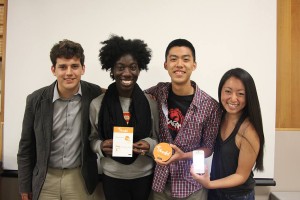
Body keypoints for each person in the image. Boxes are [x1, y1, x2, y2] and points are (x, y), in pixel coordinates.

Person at [17, 39, 104, 200]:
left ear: (83, 69)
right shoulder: (35, 100)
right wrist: (24, 188)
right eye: (63, 67)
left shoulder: (94, 93)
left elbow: (119, 94)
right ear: (53, 69)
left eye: (75, 66)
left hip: (79, 177)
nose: (69, 73)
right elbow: (25, 148)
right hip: (45, 178)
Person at [145, 39, 222, 199]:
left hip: (192, 185)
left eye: (186, 59)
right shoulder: (160, 92)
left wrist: (183, 156)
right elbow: (132, 95)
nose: (179, 64)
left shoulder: (210, 106)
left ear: (194, 65)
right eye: (173, 59)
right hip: (160, 183)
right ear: (166, 65)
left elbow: (208, 149)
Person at [89, 35, 159, 200]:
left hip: (144, 175)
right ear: (111, 70)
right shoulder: (97, 104)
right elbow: (91, 139)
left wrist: (149, 145)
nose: (127, 73)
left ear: (139, 69)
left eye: (133, 67)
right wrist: (100, 145)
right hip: (112, 175)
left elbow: (158, 139)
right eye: (120, 67)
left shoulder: (151, 103)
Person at [190, 68, 265, 200]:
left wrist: (209, 184)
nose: (233, 98)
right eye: (228, 92)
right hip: (215, 192)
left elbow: (241, 176)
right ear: (221, 92)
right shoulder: (218, 117)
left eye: (241, 94)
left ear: (249, 96)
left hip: (238, 196)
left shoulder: (249, 131)